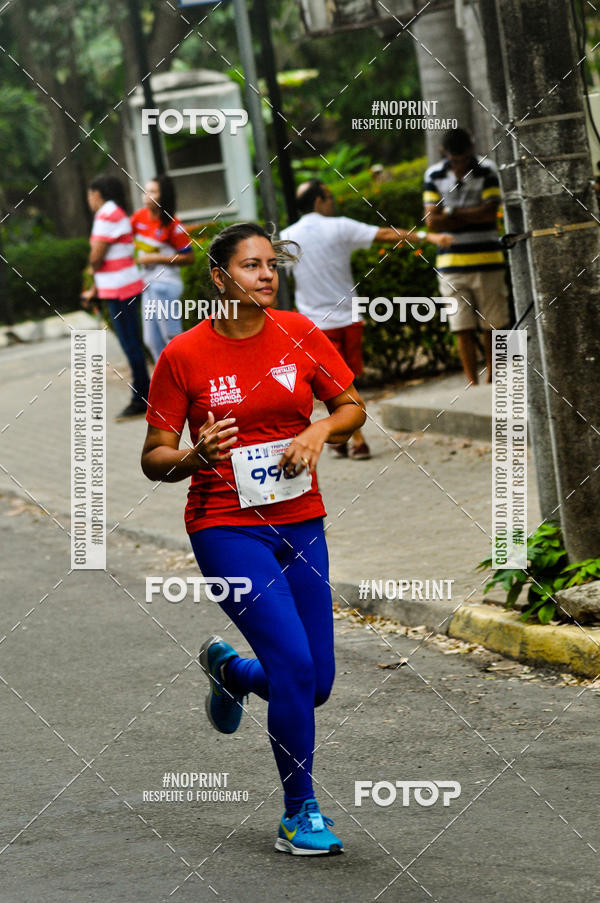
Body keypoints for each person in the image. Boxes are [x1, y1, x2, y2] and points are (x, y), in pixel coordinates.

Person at [141, 222, 368, 856]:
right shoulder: (184, 354)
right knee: (293, 667)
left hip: (301, 522)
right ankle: (299, 814)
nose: (266, 275)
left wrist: (319, 431)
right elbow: (154, 456)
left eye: (271, 264)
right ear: (220, 278)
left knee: (315, 684)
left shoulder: (300, 333)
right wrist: (193, 456)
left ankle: (233, 672)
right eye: (251, 266)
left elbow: (352, 406)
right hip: (224, 526)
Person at [280, 179, 453, 460]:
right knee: (346, 381)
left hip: (314, 323)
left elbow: (271, 275)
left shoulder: (288, 237)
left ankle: (344, 438)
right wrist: (428, 237)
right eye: (329, 196)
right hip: (349, 317)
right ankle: (356, 440)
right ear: (319, 200)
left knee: (333, 384)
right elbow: (385, 234)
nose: (332, 202)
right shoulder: (339, 226)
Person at [423, 127, 509, 384]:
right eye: (455, 160)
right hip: (451, 265)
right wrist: (472, 213)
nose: (459, 165)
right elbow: (431, 222)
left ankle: (493, 379)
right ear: (445, 153)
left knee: (493, 323)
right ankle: (471, 382)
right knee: (461, 325)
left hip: (487, 260)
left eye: (463, 159)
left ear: (471, 150)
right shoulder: (434, 174)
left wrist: (449, 213)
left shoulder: (487, 169)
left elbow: (490, 213)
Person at [82, 175, 150, 421]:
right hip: (122, 287)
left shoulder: (106, 214)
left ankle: (142, 398)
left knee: (131, 344)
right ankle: (145, 393)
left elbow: (96, 256)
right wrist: (94, 289)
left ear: (96, 194)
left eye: (90, 195)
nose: (89, 200)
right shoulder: (116, 212)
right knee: (133, 342)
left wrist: (92, 265)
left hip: (121, 291)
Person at [130, 175, 193, 361]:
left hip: (166, 285)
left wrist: (157, 258)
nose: (146, 195)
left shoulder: (174, 224)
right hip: (148, 285)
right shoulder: (138, 217)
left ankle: (185, 375)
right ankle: (165, 377)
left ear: (163, 196)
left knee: (171, 338)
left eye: (153, 191)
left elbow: (189, 258)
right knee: (151, 341)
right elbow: (123, 239)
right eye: (145, 190)